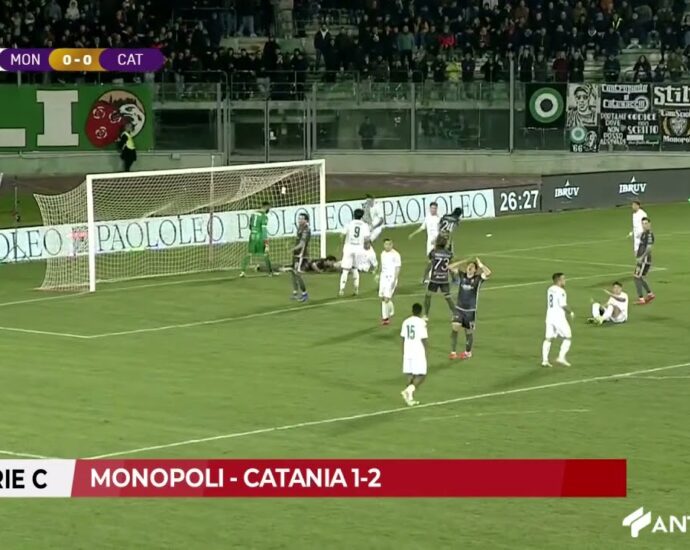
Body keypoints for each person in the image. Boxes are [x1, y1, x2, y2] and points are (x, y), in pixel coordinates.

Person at [448, 258, 492, 359]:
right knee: (455, 327)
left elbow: (488, 273)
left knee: (468, 332)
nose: (470, 268)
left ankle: (468, 352)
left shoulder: (478, 279)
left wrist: (481, 265)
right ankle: (453, 352)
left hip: (470, 311)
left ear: (475, 270)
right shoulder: (462, 275)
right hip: (459, 309)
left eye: (472, 267)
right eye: (469, 266)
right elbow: (449, 267)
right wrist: (461, 262)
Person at [542, 272, 575, 367]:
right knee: (568, 337)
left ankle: (545, 360)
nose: (565, 281)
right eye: (563, 279)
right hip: (559, 318)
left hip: (549, 317)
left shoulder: (550, 289)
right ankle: (561, 357)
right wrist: (571, 312)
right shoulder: (561, 291)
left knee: (548, 338)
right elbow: (563, 305)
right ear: (559, 280)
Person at [400, 303, 428, 407]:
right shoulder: (421, 322)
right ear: (420, 312)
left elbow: (403, 338)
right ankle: (408, 391)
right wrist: (426, 351)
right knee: (421, 374)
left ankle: (410, 399)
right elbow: (424, 339)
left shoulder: (406, 321)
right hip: (418, 350)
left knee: (410, 373)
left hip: (408, 350)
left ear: (412, 311)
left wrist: (403, 350)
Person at [339, 208, 370, 296]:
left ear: (353, 215)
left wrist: (341, 244)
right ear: (362, 216)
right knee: (355, 268)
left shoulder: (349, 224)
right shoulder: (365, 225)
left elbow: (342, 235)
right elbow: (367, 239)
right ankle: (356, 288)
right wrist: (366, 247)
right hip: (359, 249)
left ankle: (341, 289)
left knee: (345, 270)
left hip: (348, 247)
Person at [423, 236, 455, 320]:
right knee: (448, 297)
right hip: (444, 279)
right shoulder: (449, 254)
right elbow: (451, 267)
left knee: (428, 295)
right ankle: (455, 314)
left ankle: (426, 315)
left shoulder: (433, 253)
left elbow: (429, 265)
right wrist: (454, 278)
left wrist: (425, 276)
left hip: (435, 278)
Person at [408, 202, 440, 283]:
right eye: (432, 208)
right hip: (430, 243)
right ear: (430, 208)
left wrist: (437, 240)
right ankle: (427, 277)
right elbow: (422, 227)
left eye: (434, 208)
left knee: (436, 259)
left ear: (437, 209)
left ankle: (429, 277)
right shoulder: (427, 218)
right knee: (431, 260)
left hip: (438, 242)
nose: (433, 210)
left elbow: (441, 230)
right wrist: (413, 234)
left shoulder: (439, 218)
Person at [240, 202, 272, 277]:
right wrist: (266, 243)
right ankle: (270, 272)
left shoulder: (253, 214)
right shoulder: (264, 216)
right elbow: (264, 230)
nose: (269, 210)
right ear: (266, 207)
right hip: (259, 236)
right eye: (269, 208)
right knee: (265, 254)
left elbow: (250, 226)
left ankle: (242, 271)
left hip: (252, 235)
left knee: (249, 254)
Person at [377, 239, 402, 326]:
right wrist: (378, 274)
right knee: (382, 298)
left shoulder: (396, 255)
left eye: (389, 244)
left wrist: (395, 279)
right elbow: (381, 265)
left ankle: (385, 318)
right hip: (383, 277)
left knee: (386, 298)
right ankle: (391, 310)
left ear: (392, 245)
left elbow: (397, 268)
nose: (387, 246)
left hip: (391, 278)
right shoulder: (383, 253)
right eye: (385, 244)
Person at [289, 213, 311, 302]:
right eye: (299, 218)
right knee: (293, 272)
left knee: (297, 273)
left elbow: (302, 244)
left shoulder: (306, 230)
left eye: (302, 219)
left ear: (306, 220)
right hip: (296, 254)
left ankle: (305, 294)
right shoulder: (300, 228)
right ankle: (295, 293)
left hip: (301, 255)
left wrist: (293, 249)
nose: (299, 220)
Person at [634, 218, 656, 305]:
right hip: (643, 259)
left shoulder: (649, 235)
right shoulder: (644, 234)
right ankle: (650, 294)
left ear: (650, 224)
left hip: (644, 260)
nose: (644, 225)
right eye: (643, 223)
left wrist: (641, 257)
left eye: (646, 223)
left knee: (636, 277)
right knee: (642, 277)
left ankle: (641, 299)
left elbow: (649, 248)